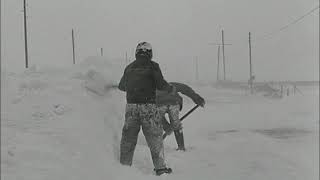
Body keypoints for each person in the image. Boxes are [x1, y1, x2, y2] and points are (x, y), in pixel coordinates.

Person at [118, 42, 174, 176]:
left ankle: (123, 168)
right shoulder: (153, 66)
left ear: (136, 52)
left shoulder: (129, 67)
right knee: (155, 138)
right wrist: (170, 88)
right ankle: (160, 168)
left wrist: (132, 86)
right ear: (150, 53)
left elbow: (121, 86)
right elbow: (161, 84)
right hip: (148, 106)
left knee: (128, 139)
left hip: (131, 108)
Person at [157, 82, 205, 151]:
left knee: (157, 115)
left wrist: (166, 126)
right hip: (174, 103)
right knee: (175, 123)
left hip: (162, 104)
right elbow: (185, 89)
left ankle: (167, 128)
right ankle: (181, 147)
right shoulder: (171, 85)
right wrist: (197, 99)